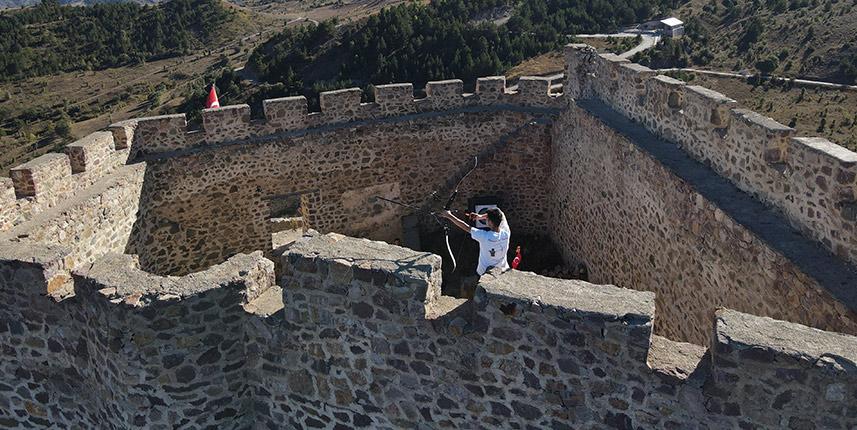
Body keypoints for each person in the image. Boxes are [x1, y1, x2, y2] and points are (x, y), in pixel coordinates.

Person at [440, 208, 511, 276]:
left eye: (487, 219)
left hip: (484, 273)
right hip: (502, 270)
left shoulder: (484, 236)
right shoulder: (506, 233)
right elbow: (501, 214)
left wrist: (449, 216)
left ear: (490, 222)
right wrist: (480, 217)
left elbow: (466, 227)